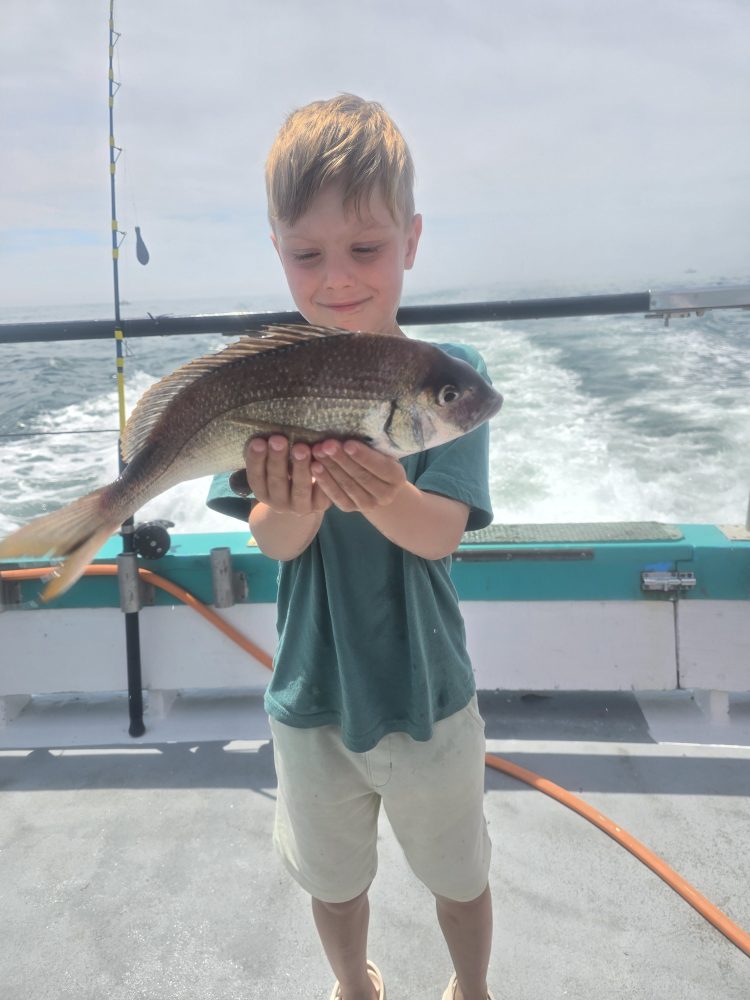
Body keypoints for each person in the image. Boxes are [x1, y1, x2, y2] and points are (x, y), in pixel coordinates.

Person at [207, 94, 496, 1000]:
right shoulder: (258, 374)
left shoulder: (447, 381)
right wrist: (292, 502)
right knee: (333, 882)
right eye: (307, 254)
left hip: (428, 688)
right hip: (310, 693)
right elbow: (277, 542)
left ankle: (473, 986)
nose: (336, 278)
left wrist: (386, 494)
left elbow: (440, 531)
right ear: (279, 252)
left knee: (459, 872)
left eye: (364, 249)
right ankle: (353, 985)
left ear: (410, 241)